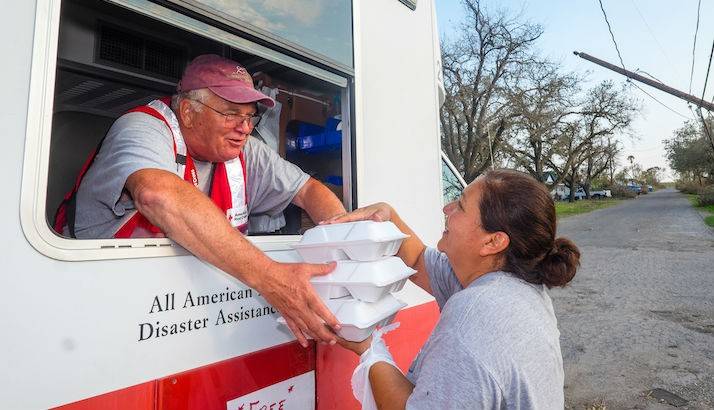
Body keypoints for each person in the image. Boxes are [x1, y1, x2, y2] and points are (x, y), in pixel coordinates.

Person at [54, 54, 347, 347]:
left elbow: (309, 190)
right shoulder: (142, 127)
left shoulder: (245, 149)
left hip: (188, 315)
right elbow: (156, 194)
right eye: (231, 113)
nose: (245, 127)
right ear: (188, 112)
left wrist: (342, 254)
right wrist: (272, 278)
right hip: (98, 310)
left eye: (249, 116)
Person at [325, 169, 581, 409]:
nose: (446, 208)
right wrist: (388, 215)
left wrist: (369, 349)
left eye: (460, 205)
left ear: (493, 241)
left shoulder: (477, 314)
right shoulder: (513, 286)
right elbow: (417, 260)